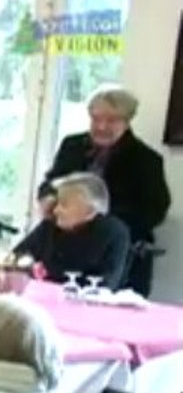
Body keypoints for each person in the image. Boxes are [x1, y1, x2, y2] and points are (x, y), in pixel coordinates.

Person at [39, 85, 171, 296]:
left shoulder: (146, 159)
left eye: (111, 120)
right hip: (66, 249)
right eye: (95, 119)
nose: (101, 126)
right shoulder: (72, 145)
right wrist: (50, 199)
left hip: (119, 253)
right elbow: (51, 183)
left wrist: (96, 217)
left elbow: (155, 210)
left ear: (127, 121)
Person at [14, 172, 131, 290]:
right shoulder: (50, 225)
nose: (56, 210)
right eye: (57, 202)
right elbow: (16, 258)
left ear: (89, 211)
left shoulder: (114, 232)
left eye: (64, 204)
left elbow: (108, 284)